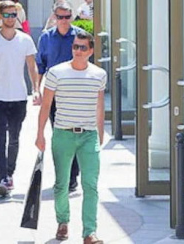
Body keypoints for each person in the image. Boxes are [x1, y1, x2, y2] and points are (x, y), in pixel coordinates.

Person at [35, 32, 106, 244]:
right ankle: (63, 221)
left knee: (90, 184)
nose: (78, 51)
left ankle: (89, 232)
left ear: (91, 51)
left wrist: (100, 132)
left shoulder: (99, 74)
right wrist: (40, 133)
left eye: (83, 48)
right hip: (63, 134)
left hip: (88, 135)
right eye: (75, 47)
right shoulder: (56, 72)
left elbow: (100, 105)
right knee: (61, 183)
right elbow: (46, 105)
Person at [0, 1, 40, 197]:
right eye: (7, 15)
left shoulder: (25, 40)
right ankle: (1, 178)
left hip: (19, 96)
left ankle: (9, 173)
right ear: (0, 16)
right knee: (0, 139)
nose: (11, 18)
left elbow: (32, 66)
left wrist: (36, 89)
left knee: (14, 138)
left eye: (13, 15)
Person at [36, 0, 84, 192]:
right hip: (54, 93)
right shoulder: (46, 38)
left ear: (71, 16)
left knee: (77, 134)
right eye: (60, 17)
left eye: (67, 16)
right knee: (60, 135)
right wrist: (37, 89)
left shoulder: (80, 37)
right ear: (54, 17)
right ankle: (64, 175)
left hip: (77, 93)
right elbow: (40, 65)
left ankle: (73, 175)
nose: (64, 20)